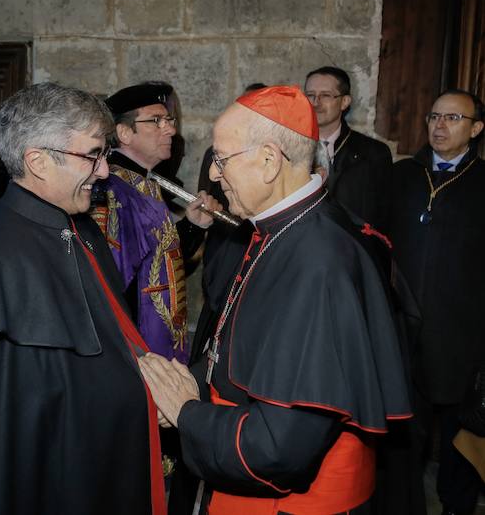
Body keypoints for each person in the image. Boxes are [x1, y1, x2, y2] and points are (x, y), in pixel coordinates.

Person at [139, 85, 411, 514]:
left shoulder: (319, 262)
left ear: (268, 161)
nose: (213, 175)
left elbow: (278, 448)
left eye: (221, 160)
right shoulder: (282, 228)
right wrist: (194, 383)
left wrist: (187, 411)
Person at [0, 82, 166, 515]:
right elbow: (17, 431)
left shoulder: (77, 227)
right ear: (37, 161)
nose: (105, 172)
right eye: (92, 155)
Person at [389, 89, 485, 515]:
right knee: (403, 430)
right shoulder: (403, 175)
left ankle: (455, 506)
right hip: (402, 328)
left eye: (453, 118)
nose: (439, 126)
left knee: (458, 433)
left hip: (462, 333)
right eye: (434, 116)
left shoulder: (482, 181)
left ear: (476, 128)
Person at [90, 81, 214, 362]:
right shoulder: (112, 190)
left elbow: (158, 262)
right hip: (136, 350)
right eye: (156, 121)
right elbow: (113, 282)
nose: (170, 129)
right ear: (124, 132)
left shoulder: (142, 184)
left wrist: (193, 224)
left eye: (168, 119)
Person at [305, 66, 392, 229]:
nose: (316, 103)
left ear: (344, 102)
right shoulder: (290, 147)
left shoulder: (373, 154)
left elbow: (382, 215)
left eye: (325, 95)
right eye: (310, 95)